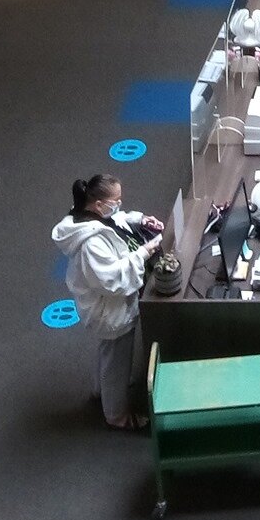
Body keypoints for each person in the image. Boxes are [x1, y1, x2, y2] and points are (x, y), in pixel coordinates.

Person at [52, 174, 163, 431]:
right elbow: (112, 280)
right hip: (109, 310)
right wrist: (143, 253)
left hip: (103, 306)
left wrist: (140, 219)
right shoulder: (91, 244)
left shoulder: (87, 216)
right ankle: (117, 415)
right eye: (115, 200)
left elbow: (116, 222)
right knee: (117, 363)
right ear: (99, 203)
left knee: (108, 352)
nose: (119, 204)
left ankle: (99, 390)